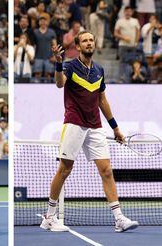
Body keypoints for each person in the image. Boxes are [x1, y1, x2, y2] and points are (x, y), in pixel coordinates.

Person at [40, 31, 139, 232]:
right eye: (84, 40)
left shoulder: (99, 70)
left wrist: (115, 128)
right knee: (65, 169)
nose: (88, 43)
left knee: (107, 171)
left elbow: (102, 100)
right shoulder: (69, 65)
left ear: (94, 44)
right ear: (78, 46)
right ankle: (49, 217)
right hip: (74, 122)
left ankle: (119, 218)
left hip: (95, 126)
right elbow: (60, 84)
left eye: (91, 40)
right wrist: (58, 63)